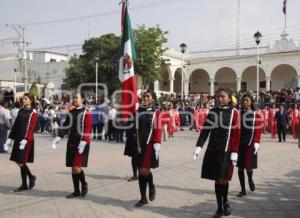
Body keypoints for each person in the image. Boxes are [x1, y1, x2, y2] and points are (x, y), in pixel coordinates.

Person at [193, 88, 240, 217]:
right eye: (218, 97)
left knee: (223, 179)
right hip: (213, 149)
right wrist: (199, 146)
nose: (220, 99)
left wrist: (235, 151)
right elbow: (205, 130)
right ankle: (219, 207)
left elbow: (236, 134)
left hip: (226, 150)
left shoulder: (234, 112)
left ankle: (225, 201)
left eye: (223, 97)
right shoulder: (212, 112)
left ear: (229, 98)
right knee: (217, 179)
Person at [52, 92, 92, 198]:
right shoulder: (71, 112)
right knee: (72, 167)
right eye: (73, 98)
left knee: (76, 167)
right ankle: (76, 190)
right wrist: (59, 136)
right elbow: (66, 126)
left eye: (77, 98)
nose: (74, 99)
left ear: (82, 99)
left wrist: (84, 140)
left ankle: (84, 184)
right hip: (72, 141)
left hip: (82, 142)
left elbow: (88, 128)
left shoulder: (86, 112)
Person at [131, 90, 162, 207]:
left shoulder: (156, 112)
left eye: (148, 96)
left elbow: (158, 129)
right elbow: (133, 126)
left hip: (149, 145)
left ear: (153, 99)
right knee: (140, 171)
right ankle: (143, 198)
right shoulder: (138, 112)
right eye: (144, 96)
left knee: (145, 171)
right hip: (138, 145)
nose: (145, 98)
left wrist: (157, 143)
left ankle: (152, 185)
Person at [4, 93, 38, 191]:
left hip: (26, 140)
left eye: (26, 99)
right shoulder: (21, 111)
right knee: (17, 160)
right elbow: (15, 126)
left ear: (31, 100)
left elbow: (32, 128)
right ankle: (30, 178)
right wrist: (10, 138)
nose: (23, 100)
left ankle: (26, 182)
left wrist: (26, 139)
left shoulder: (33, 112)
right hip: (18, 138)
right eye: (23, 99)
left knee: (21, 160)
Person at [236, 94, 263, 197]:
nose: (245, 102)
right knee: (240, 168)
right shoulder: (239, 114)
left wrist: (257, 142)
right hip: (240, 144)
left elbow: (258, 130)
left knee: (248, 168)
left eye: (247, 100)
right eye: (243, 101)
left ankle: (250, 180)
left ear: (251, 102)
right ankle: (243, 189)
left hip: (250, 143)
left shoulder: (256, 114)